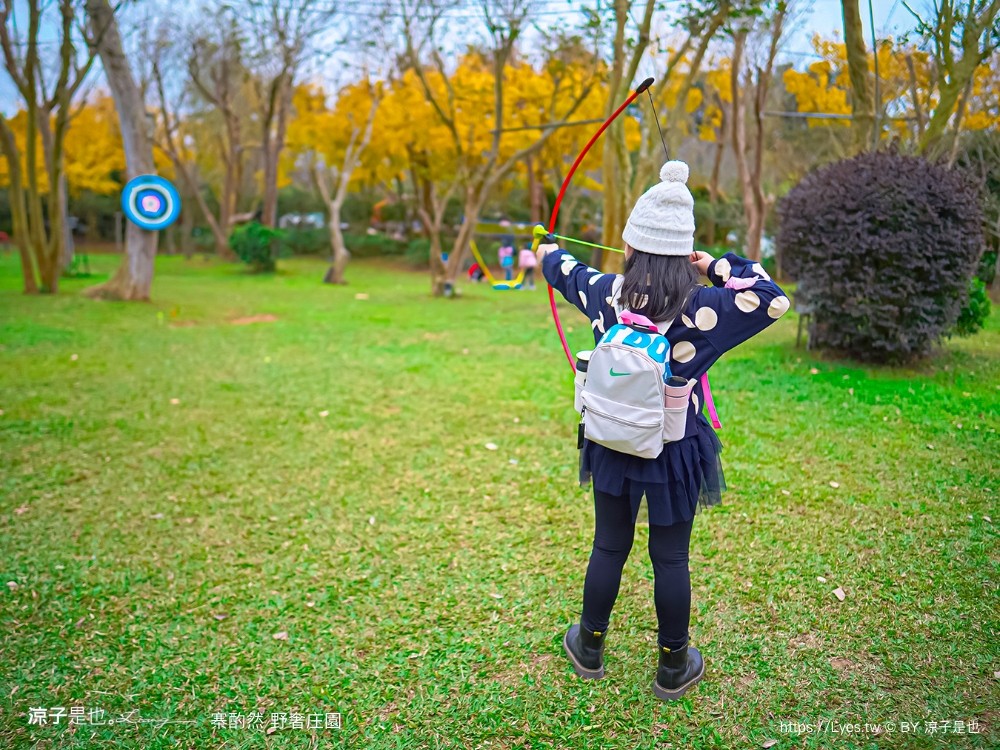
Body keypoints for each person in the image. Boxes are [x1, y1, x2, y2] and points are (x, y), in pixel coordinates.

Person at [536, 160, 790, 701]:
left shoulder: (609, 293)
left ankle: (589, 645)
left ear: (630, 246)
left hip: (612, 440)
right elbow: (772, 298)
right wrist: (716, 264)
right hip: (674, 448)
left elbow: (564, 270)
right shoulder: (705, 307)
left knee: (609, 545)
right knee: (670, 557)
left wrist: (546, 250)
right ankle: (674, 665)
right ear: (683, 253)